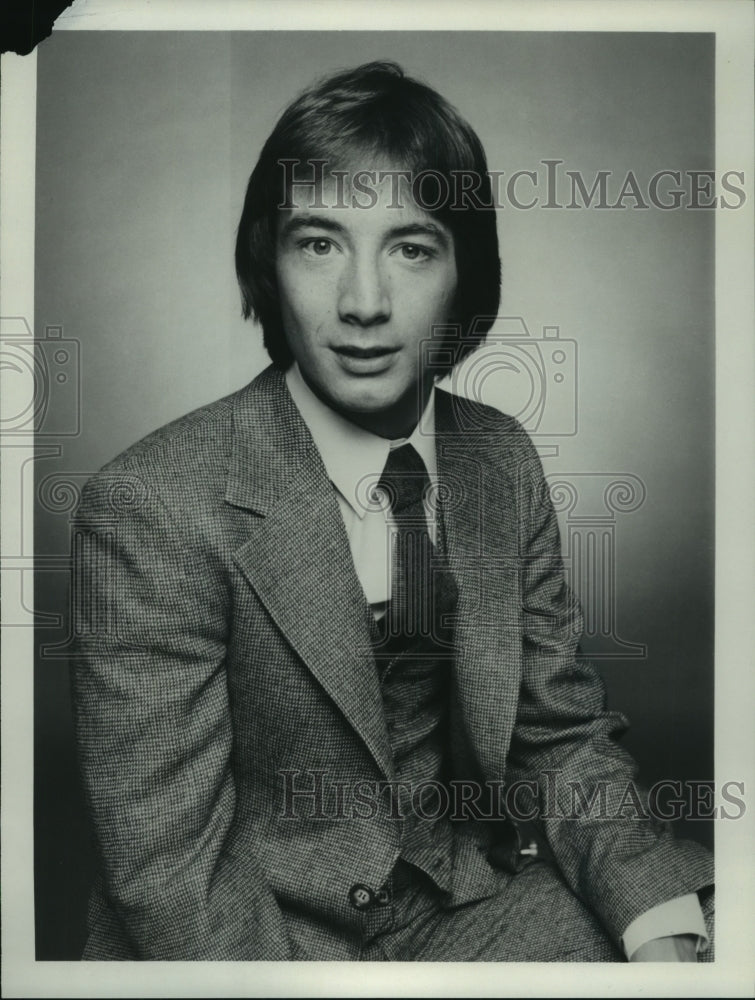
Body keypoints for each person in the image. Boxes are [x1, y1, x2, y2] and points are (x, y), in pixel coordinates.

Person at [70, 61, 714, 962]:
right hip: (249, 935)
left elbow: (557, 736)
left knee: (695, 938)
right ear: (270, 260)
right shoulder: (150, 505)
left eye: (410, 247)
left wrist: (658, 931)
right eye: (319, 243)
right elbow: (168, 868)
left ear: (464, 274)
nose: (363, 304)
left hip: (457, 905)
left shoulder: (495, 458)